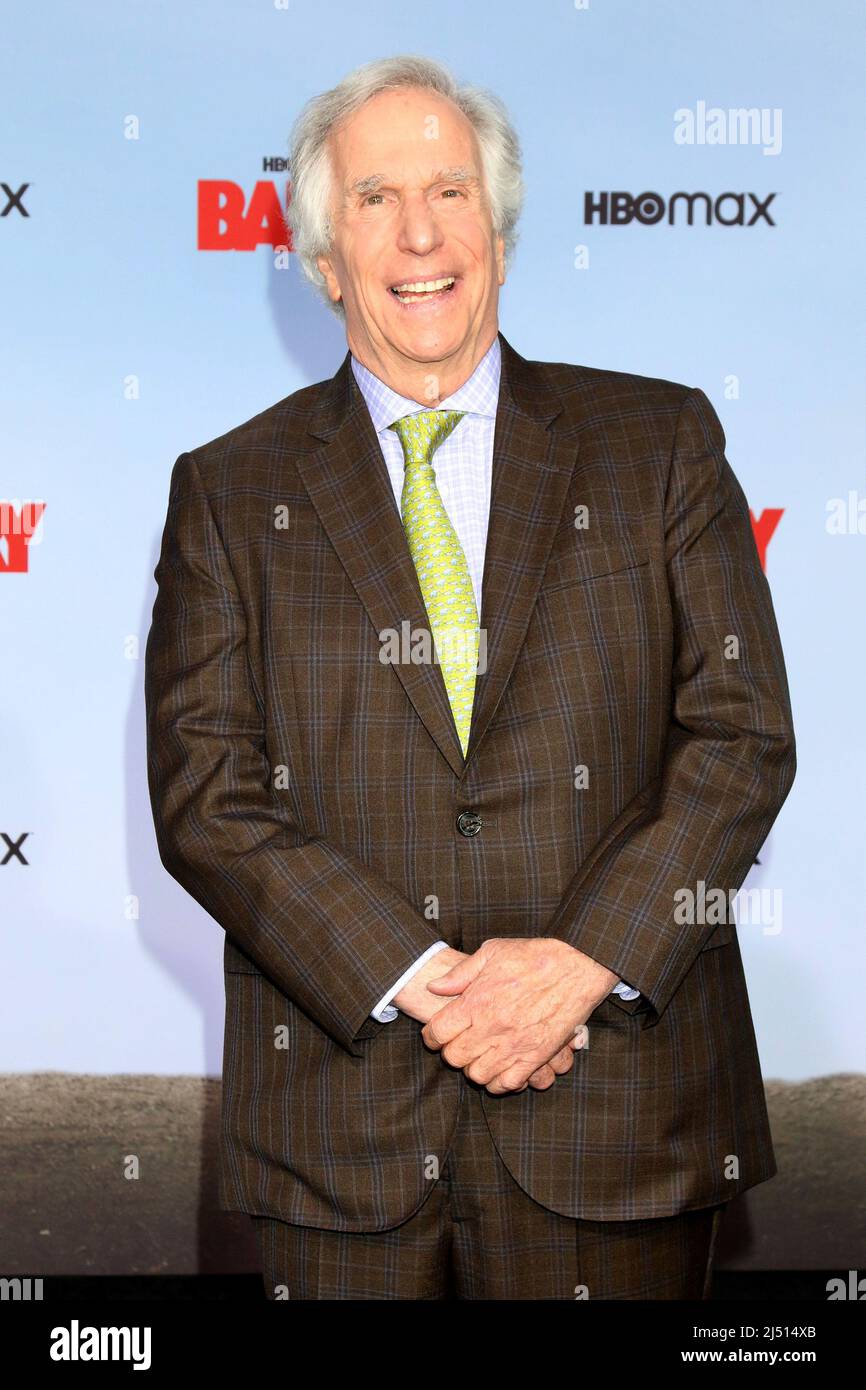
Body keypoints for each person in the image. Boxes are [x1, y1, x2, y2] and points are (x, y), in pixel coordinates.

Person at [144, 54, 796, 1300]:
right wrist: (424, 981)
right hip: (339, 1153)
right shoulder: (227, 491)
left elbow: (739, 735)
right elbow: (208, 795)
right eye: (376, 199)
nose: (420, 232)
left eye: (448, 191)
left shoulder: (657, 441)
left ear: (496, 228)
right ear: (324, 260)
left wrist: (572, 968)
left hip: (619, 1117)